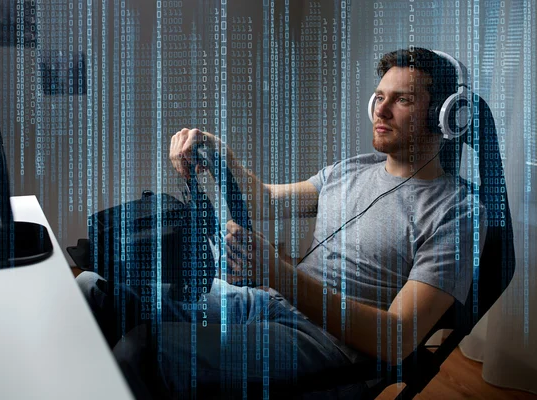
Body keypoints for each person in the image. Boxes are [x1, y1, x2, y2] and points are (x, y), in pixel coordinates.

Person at [76, 47, 485, 398]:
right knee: (92, 292)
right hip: (266, 304)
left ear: (444, 116)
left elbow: (397, 339)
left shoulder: (458, 212)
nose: (381, 109)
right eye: (379, 96)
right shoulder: (352, 169)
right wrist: (217, 151)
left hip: (327, 349)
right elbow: (266, 200)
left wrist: (279, 273)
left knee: (141, 352)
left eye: (403, 100)